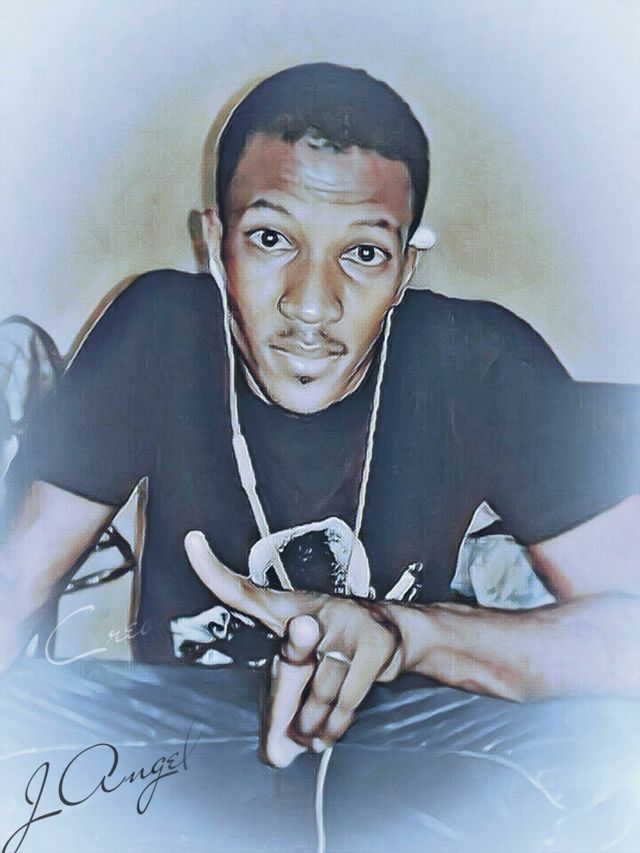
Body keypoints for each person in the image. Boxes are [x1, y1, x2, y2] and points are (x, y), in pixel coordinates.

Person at [1, 63, 638, 768]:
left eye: (363, 252)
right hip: (177, 748)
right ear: (214, 243)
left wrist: (408, 635)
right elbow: (14, 583)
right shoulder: (157, 331)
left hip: (407, 742)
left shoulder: (480, 362)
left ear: (405, 270)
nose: (311, 305)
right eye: (271, 238)